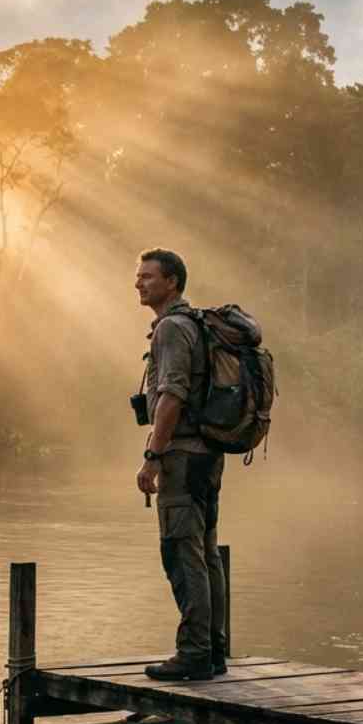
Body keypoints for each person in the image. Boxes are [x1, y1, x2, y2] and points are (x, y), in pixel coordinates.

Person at [133, 248, 227, 681]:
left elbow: (172, 395)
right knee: (205, 552)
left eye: (148, 276)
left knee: (181, 551)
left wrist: (153, 456)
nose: (139, 283)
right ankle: (213, 651)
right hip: (207, 455)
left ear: (172, 282)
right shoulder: (197, 326)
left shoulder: (171, 329)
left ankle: (193, 654)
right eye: (139, 276)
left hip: (182, 455)